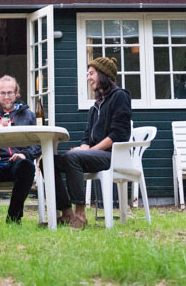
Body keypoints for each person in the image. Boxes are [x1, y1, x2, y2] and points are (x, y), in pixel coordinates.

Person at [52, 57, 131, 228]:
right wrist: (83, 148)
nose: (88, 78)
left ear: (103, 74)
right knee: (49, 162)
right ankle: (67, 213)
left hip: (113, 155)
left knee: (72, 157)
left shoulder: (120, 96)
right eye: (87, 74)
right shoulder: (95, 106)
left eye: (91, 73)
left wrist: (87, 151)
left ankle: (80, 216)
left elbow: (118, 134)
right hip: (96, 154)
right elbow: (87, 138)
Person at [0, 75, 41, 225]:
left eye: (10, 92)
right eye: (3, 93)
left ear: (17, 93)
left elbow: (39, 143)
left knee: (27, 166)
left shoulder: (29, 116)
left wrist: (25, 154)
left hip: (17, 164)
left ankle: (14, 217)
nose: (6, 97)